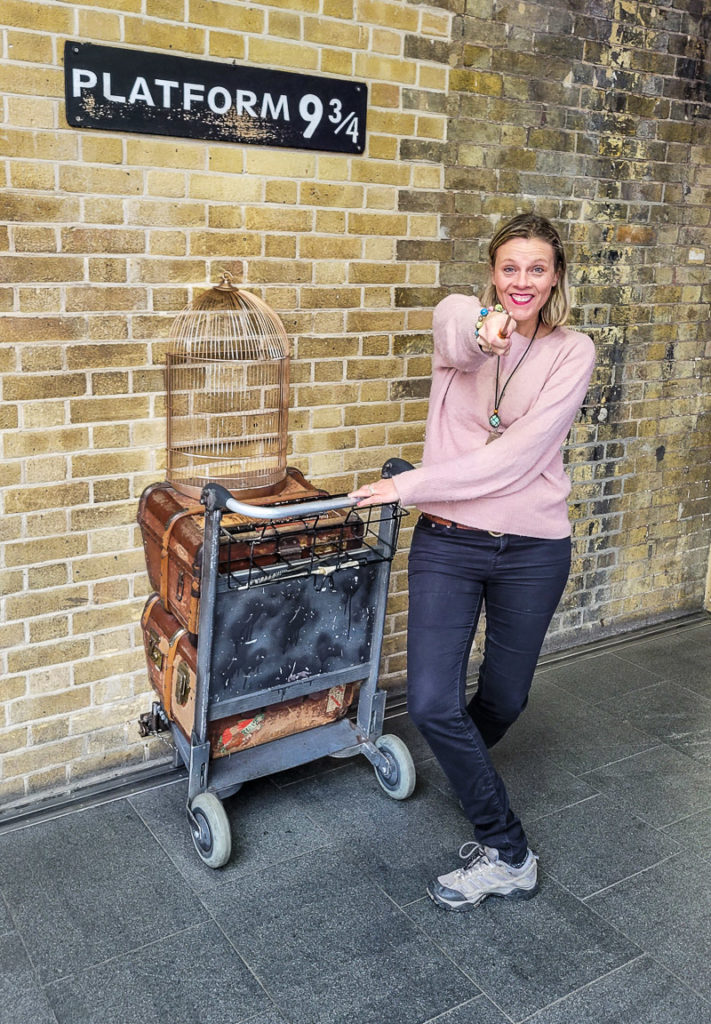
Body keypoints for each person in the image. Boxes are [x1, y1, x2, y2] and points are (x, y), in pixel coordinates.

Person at [349, 212, 595, 911]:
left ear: (555, 278)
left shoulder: (572, 351)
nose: (522, 281)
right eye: (509, 268)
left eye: (536, 270)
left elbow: (518, 458)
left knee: (504, 699)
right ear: (492, 272)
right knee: (429, 702)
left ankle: (466, 768)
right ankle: (506, 850)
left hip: (533, 549)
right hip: (450, 542)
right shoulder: (459, 323)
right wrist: (484, 331)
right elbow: (460, 326)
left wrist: (407, 486)